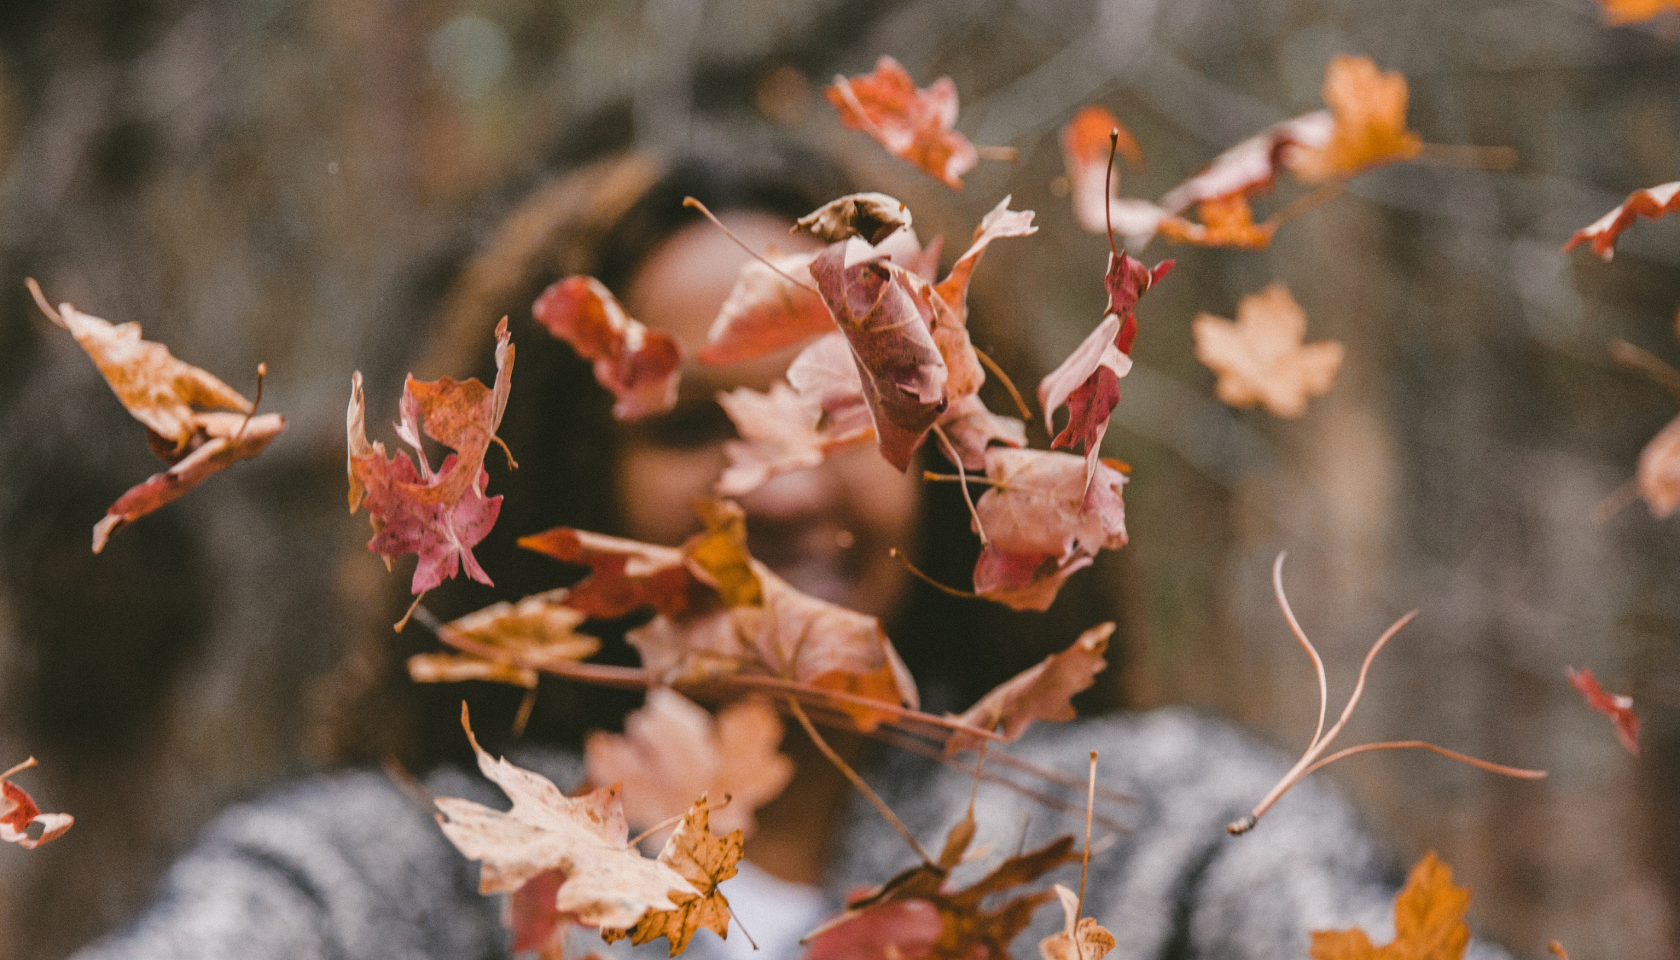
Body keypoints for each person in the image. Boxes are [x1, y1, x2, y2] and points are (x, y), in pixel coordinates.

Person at [65, 119, 1516, 960]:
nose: (778, 485)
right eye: (693, 424)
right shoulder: (411, 881)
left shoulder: (1144, 839)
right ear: (569, 479)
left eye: (838, 416)